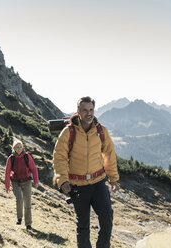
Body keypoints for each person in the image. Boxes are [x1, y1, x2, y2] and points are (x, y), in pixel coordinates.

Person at [53, 96, 119, 248]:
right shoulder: (68, 132)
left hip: (98, 183)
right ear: (78, 112)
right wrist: (62, 180)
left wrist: (113, 179)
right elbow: (59, 157)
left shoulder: (101, 131)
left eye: (91, 110)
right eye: (85, 110)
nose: (89, 113)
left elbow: (109, 154)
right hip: (78, 186)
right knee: (83, 226)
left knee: (107, 217)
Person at [5, 139, 39, 230]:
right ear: (14, 148)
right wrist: (7, 186)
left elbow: (34, 169)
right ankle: (19, 218)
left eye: (20, 147)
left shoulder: (27, 156)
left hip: (27, 182)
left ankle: (28, 224)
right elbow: (7, 172)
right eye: (17, 147)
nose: (19, 149)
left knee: (27, 203)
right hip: (16, 182)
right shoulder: (11, 158)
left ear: (23, 147)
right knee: (19, 199)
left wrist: (36, 181)